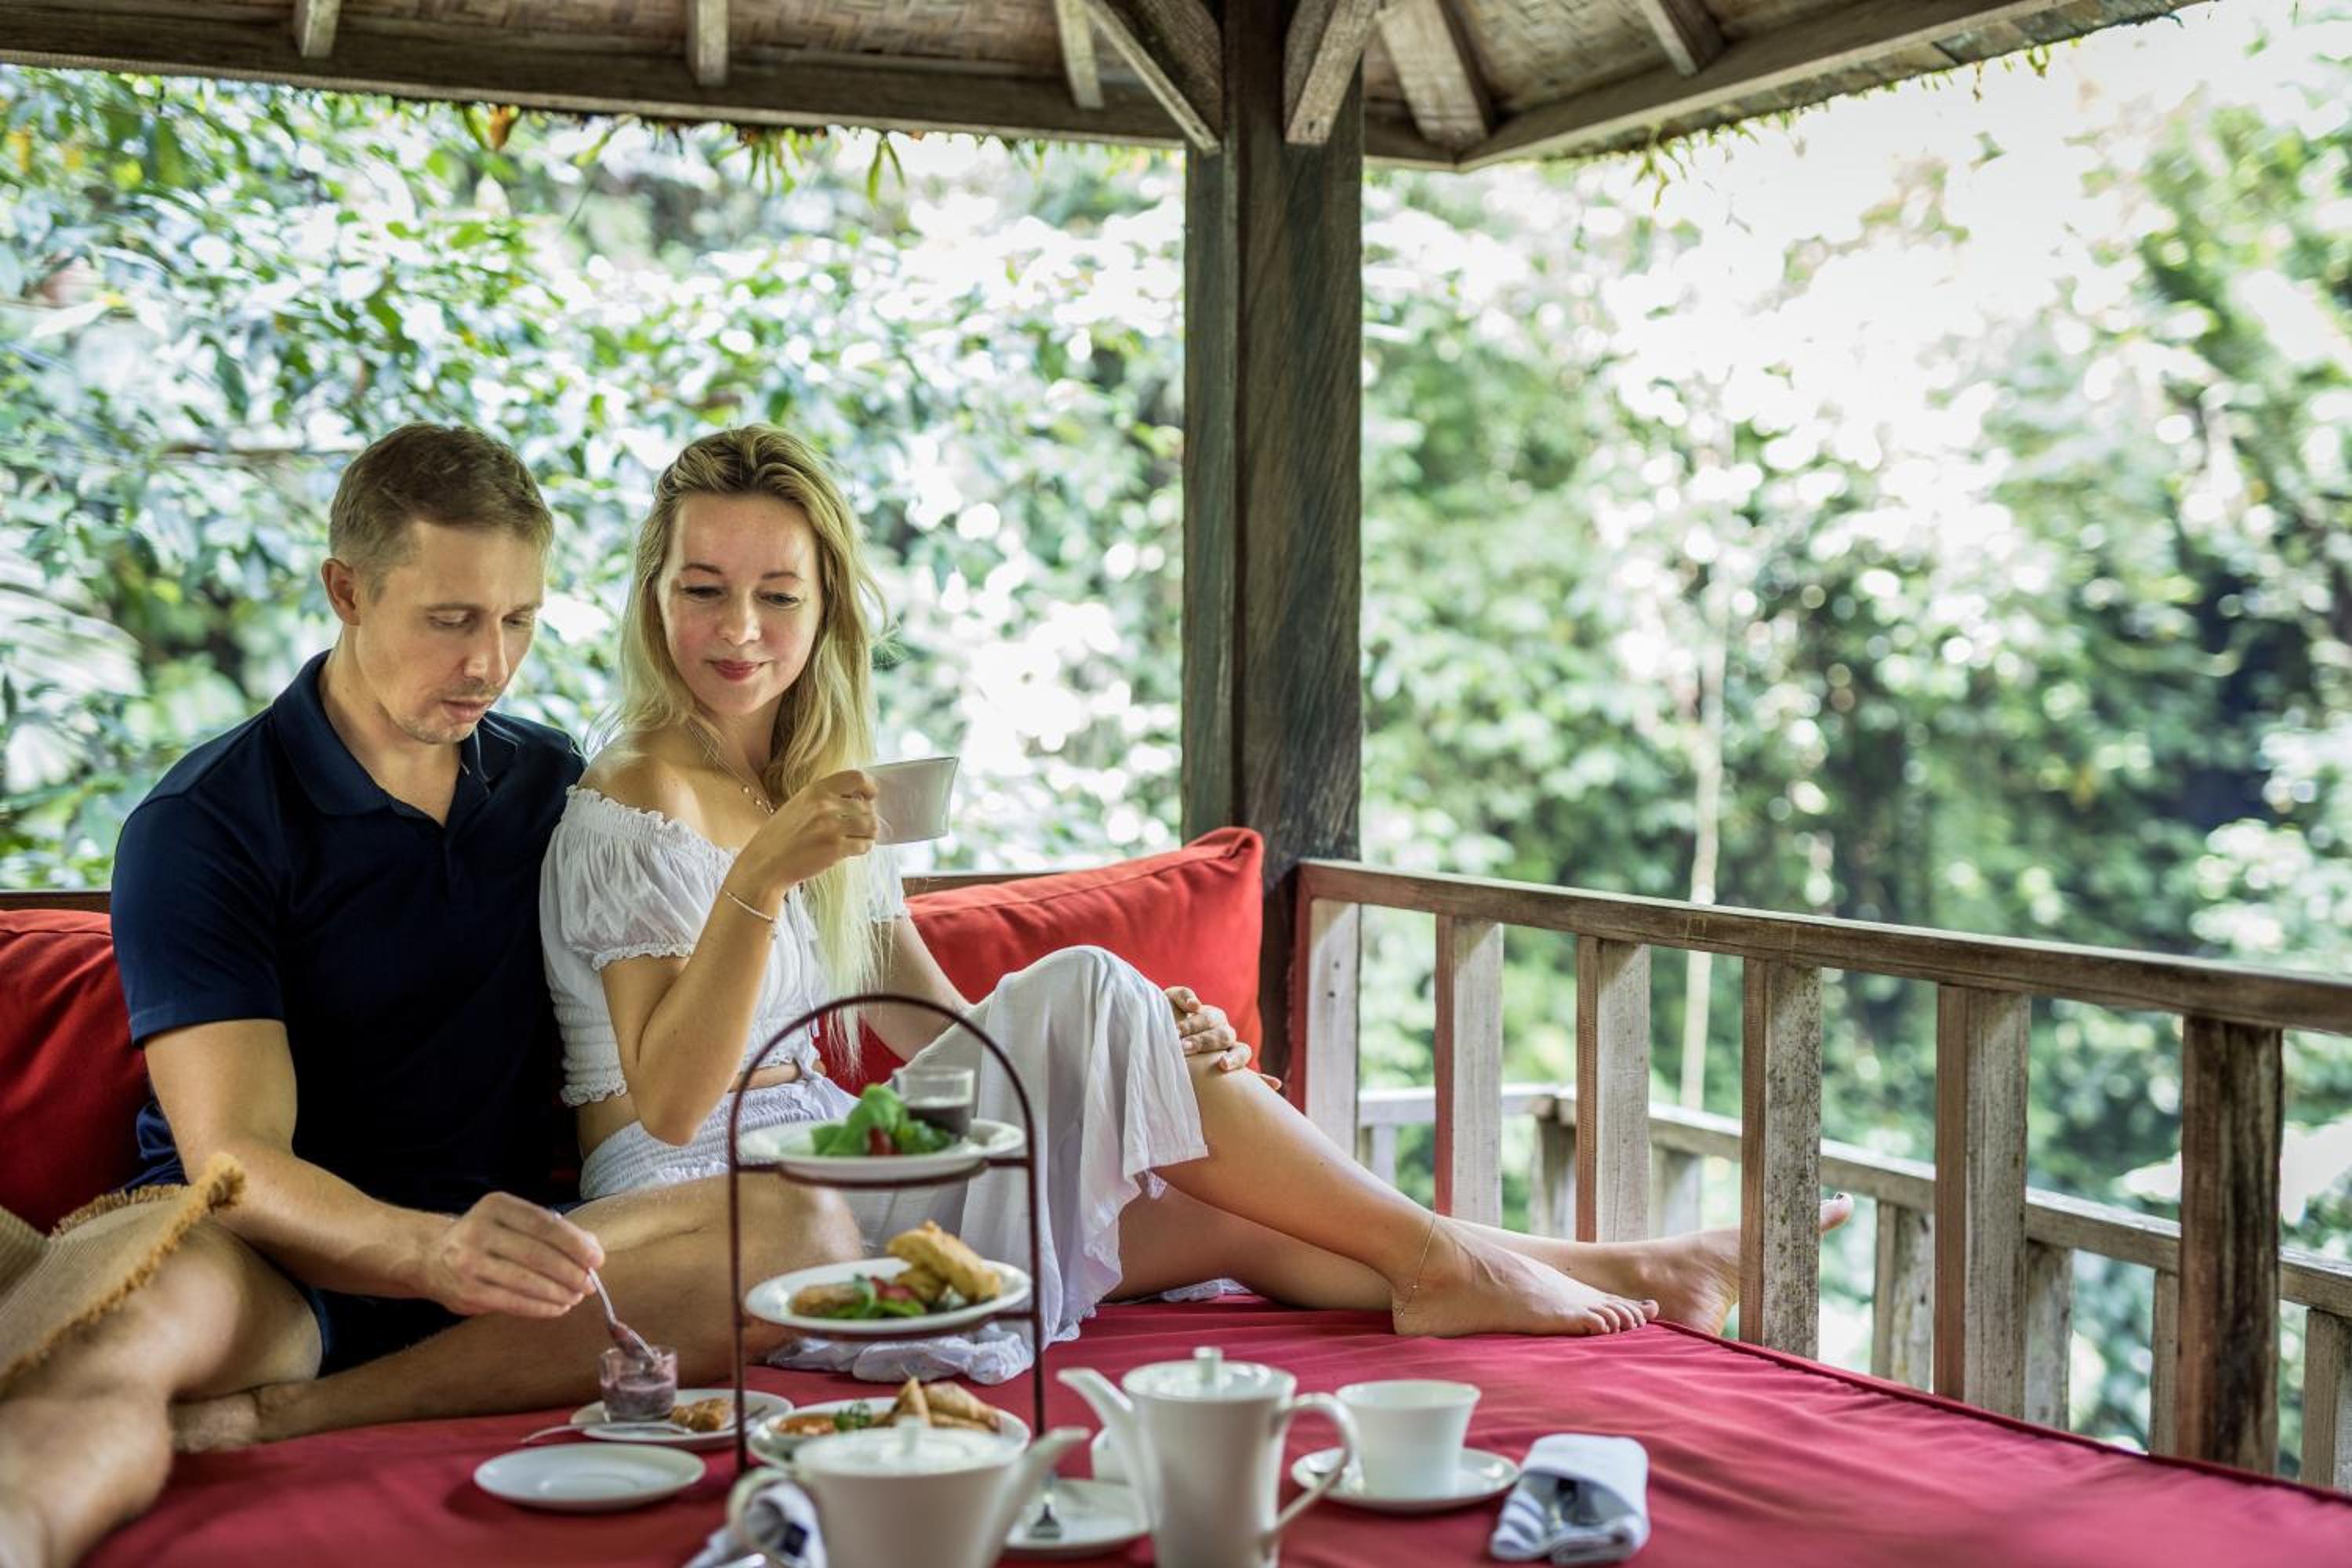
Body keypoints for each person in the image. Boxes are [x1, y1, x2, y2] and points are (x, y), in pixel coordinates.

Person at [540, 423, 1849, 1377]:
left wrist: (1143, 1062)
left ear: (828, 609)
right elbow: (673, 1100)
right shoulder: (635, 792)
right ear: (655, 597)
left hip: (846, 1156)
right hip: (712, 1208)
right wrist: (766, 874)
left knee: (1213, 1193)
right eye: (703, 590)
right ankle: (1450, 1265)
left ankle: (1627, 1270)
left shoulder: (820, 785)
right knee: (1094, 992)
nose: (740, 630)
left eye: (778, 595)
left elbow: (943, 1039)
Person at [0, 426, 864, 1568]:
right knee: (110, 1355)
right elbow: (234, 1162)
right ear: (347, 592)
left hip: (512, 1261)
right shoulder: (205, 823)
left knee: (801, 1227)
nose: (488, 664)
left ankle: (295, 1406)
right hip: (266, 1261)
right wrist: (428, 1251)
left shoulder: (553, 784)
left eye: (518, 621)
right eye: (451, 620)